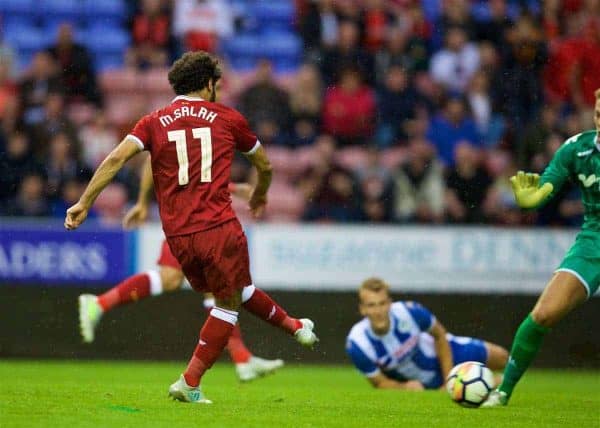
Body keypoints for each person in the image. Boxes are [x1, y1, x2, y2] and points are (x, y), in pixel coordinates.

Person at [64, 51, 318, 403]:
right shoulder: (227, 118)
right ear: (208, 84)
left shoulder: (153, 121)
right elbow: (266, 165)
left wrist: (84, 202)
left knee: (235, 291)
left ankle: (295, 328)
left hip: (180, 237)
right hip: (219, 227)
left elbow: (116, 158)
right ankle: (190, 382)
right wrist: (259, 195)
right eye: (217, 84)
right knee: (228, 302)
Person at [78, 157, 283, 382]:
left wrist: (231, 188)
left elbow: (196, 179)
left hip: (195, 219)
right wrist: (143, 202)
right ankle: (98, 303)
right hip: (186, 222)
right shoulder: (173, 128)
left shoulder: (189, 131)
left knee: (216, 291)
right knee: (172, 278)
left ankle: (242, 360)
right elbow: (154, 162)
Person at [482, 88, 600, 407]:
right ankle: (503, 392)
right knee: (543, 314)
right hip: (594, 241)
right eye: (599, 114)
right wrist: (532, 199)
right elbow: (547, 184)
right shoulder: (577, 149)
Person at [346, 278, 507, 390]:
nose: (378, 311)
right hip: (420, 382)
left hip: (446, 354)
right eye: (372, 305)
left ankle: (487, 383)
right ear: (362, 309)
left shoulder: (411, 312)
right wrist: (403, 388)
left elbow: (439, 335)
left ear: (390, 303)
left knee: (502, 357)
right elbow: (379, 383)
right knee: (489, 382)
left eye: (382, 303)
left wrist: (448, 381)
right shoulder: (357, 344)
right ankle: (487, 385)